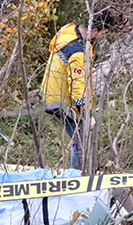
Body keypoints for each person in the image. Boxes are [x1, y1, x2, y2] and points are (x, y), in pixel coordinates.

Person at [41, 10, 114, 169]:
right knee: (81, 140)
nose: (103, 37)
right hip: (62, 101)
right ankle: (78, 180)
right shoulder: (77, 51)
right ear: (94, 31)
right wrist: (84, 112)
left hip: (50, 93)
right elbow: (77, 84)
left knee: (79, 137)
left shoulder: (68, 31)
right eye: (103, 33)